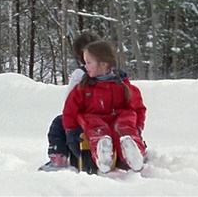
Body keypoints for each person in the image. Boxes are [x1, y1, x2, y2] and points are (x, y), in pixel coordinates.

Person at [62, 40, 147, 173]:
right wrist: (71, 132)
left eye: (89, 62)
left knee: (125, 123)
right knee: (97, 128)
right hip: (95, 118)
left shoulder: (124, 86)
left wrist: (138, 126)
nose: (85, 66)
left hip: (119, 118)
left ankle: (133, 153)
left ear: (103, 64)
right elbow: (70, 111)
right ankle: (102, 155)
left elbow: (138, 108)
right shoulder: (82, 88)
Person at [37, 31, 101, 172]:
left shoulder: (80, 74)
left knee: (59, 123)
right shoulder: (110, 72)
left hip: (84, 121)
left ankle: (59, 158)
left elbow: (69, 103)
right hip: (106, 119)